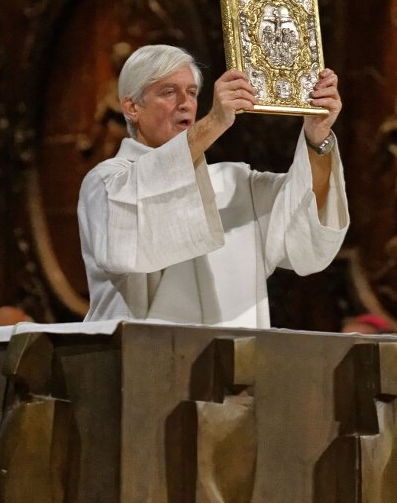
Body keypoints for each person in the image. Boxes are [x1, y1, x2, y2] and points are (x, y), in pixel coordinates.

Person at [78, 44, 349, 327]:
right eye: (168, 92)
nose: (185, 103)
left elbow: (304, 217)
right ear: (132, 107)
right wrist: (216, 121)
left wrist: (317, 138)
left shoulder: (235, 184)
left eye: (192, 92)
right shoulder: (107, 182)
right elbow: (131, 229)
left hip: (232, 365)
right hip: (138, 362)